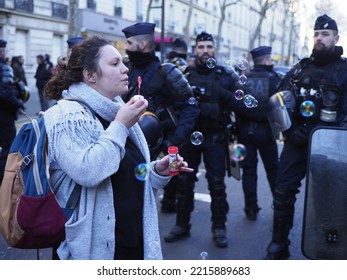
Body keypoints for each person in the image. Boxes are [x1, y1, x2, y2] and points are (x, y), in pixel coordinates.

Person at [43, 36, 193, 260]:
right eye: (114, 64)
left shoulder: (116, 108)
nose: (125, 69)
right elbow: (89, 171)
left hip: (130, 241)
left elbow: (128, 174)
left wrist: (156, 170)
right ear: (90, 75)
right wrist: (121, 125)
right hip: (96, 249)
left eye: (123, 62)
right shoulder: (66, 115)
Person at [264, 14, 347, 259]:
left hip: (329, 147)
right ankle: (278, 245)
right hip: (296, 142)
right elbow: (278, 100)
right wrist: (289, 130)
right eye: (317, 34)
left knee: (327, 198)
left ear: (336, 37)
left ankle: (325, 246)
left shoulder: (344, 71)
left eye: (325, 34)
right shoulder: (300, 68)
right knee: (282, 192)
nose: (319, 38)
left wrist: (320, 132)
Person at [164, 31, 240, 248]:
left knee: (216, 184)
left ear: (214, 49)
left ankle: (219, 228)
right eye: (201, 47)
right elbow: (173, 107)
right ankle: (181, 225)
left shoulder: (226, 75)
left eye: (208, 47)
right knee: (184, 181)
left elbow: (241, 106)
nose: (205, 51)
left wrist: (223, 93)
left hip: (216, 137)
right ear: (195, 50)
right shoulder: (185, 75)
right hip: (190, 138)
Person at [121, 23, 199, 160]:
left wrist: (175, 140)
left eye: (129, 42)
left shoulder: (167, 72)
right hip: (125, 142)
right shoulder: (124, 68)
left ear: (143, 44)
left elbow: (190, 107)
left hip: (157, 150)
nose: (126, 47)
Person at [234, 46, 280, 220]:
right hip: (267, 131)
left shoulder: (244, 80)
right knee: (273, 170)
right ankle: (279, 204)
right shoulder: (274, 79)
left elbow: (235, 106)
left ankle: (250, 207)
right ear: (267, 60)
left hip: (245, 131)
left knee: (249, 171)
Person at [160, 37, 190, 213]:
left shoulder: (165, 67)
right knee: (177, 165)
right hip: (178, 124)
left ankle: (168, 201)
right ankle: (172, 201)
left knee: (171, 164)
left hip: (169, 124)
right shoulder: (180, 69)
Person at [0, 39, 25, 183]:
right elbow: (5, 94)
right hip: (4, 114)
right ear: (2, 51)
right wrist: (19, 103)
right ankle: (3, 181)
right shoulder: (4, 68)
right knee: (8, 146)